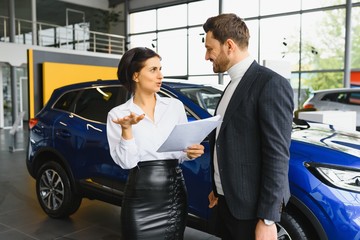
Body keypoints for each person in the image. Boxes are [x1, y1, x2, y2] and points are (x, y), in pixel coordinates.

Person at [203, 13, 294, 240]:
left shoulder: (270, 83)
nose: (206, 56)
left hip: (252, 212)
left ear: (229, 46)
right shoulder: (232, 86)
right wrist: (218, 188)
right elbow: (229, 142)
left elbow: (277, 155)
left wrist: (268, 219)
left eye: (210, 48)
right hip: (227, 203)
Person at [106, 47, 204, 240]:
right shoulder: (118, 115)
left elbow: (181, 149)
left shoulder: (174, 106)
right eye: (153, 70)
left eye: (160, 68)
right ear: (136, 76)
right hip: (139, 196)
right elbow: (126, 163)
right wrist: (127, 130)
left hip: (173, 194)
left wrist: (190, 152)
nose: (160, 75)